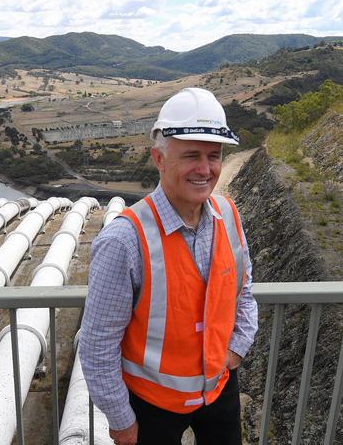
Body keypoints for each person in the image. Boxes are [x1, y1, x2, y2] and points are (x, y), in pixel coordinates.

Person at [79, 87, 258, 445]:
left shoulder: (229, 215)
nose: (205, 169)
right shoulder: (124, 240)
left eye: (214, 155)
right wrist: (121, 419)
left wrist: (234, 351)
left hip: (219, 391)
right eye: (191, 155)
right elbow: (97, 345)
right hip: (150, 408)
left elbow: (244, 293)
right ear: (159, 159)